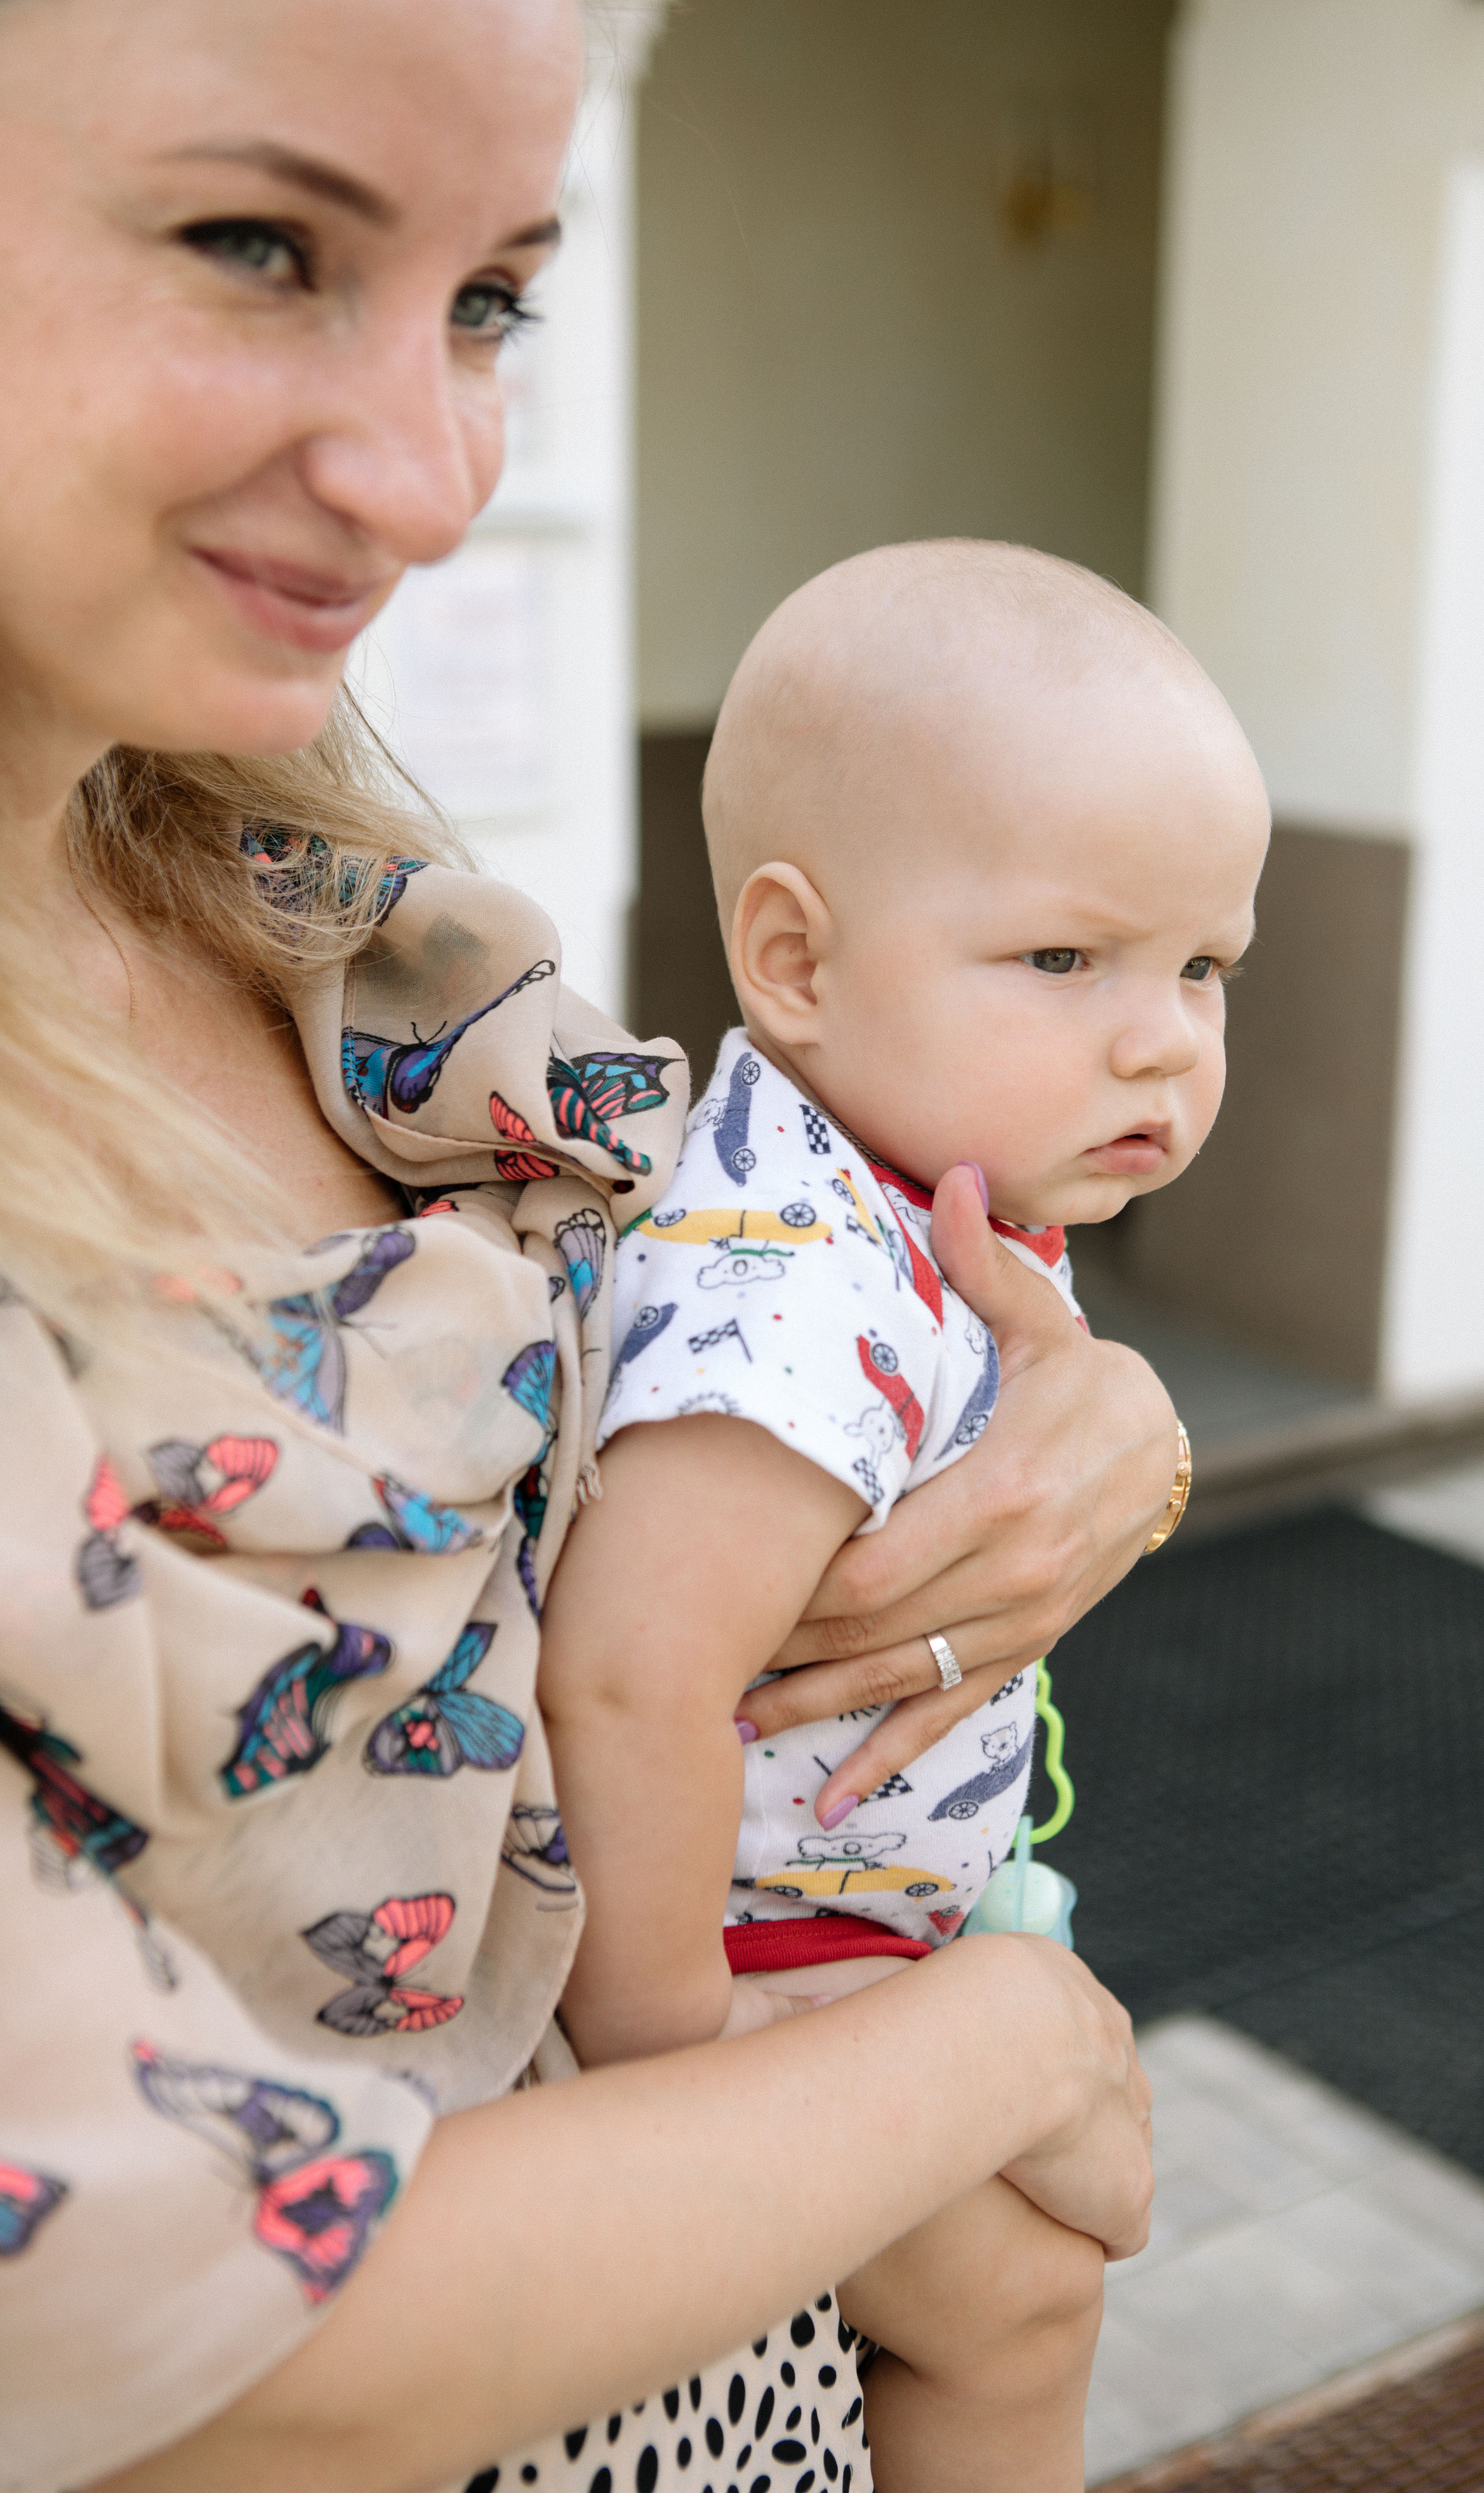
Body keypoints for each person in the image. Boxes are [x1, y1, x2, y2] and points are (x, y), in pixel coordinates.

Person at [0, 5, 1179, 2490]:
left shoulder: (306, 885)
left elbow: (751, 1275)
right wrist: (1006, 2042)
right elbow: (208, 2357)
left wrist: (1090, 1416)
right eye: (260, 243)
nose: (434, 476)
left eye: (488, 299)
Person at [543, 541, 1268, 2492]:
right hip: (756, 1959)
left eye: (1204, 966)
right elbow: (627, 1682)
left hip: (857, 1918)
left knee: (1053, 2255)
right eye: (1067, 960)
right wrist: (671, 2055)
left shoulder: (904, 1199)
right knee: (1030, 2297)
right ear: (795, 963)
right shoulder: (790, 1288)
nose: (1164, 1039)